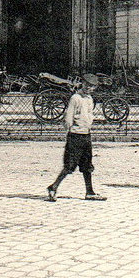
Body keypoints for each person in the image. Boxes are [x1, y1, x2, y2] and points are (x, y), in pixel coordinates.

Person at [46, 74, 106, 202]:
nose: (89, 88)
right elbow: (68, 117)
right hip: (75, 136)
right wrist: (70, 132)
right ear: (82, 83)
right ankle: (53, 187)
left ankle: (89, 192)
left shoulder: (89, 99)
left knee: (87, 165)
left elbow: (89, 115)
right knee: (69, 165)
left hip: (86, 135)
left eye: (92, 86)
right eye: (87, 85)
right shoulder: (75, 98)